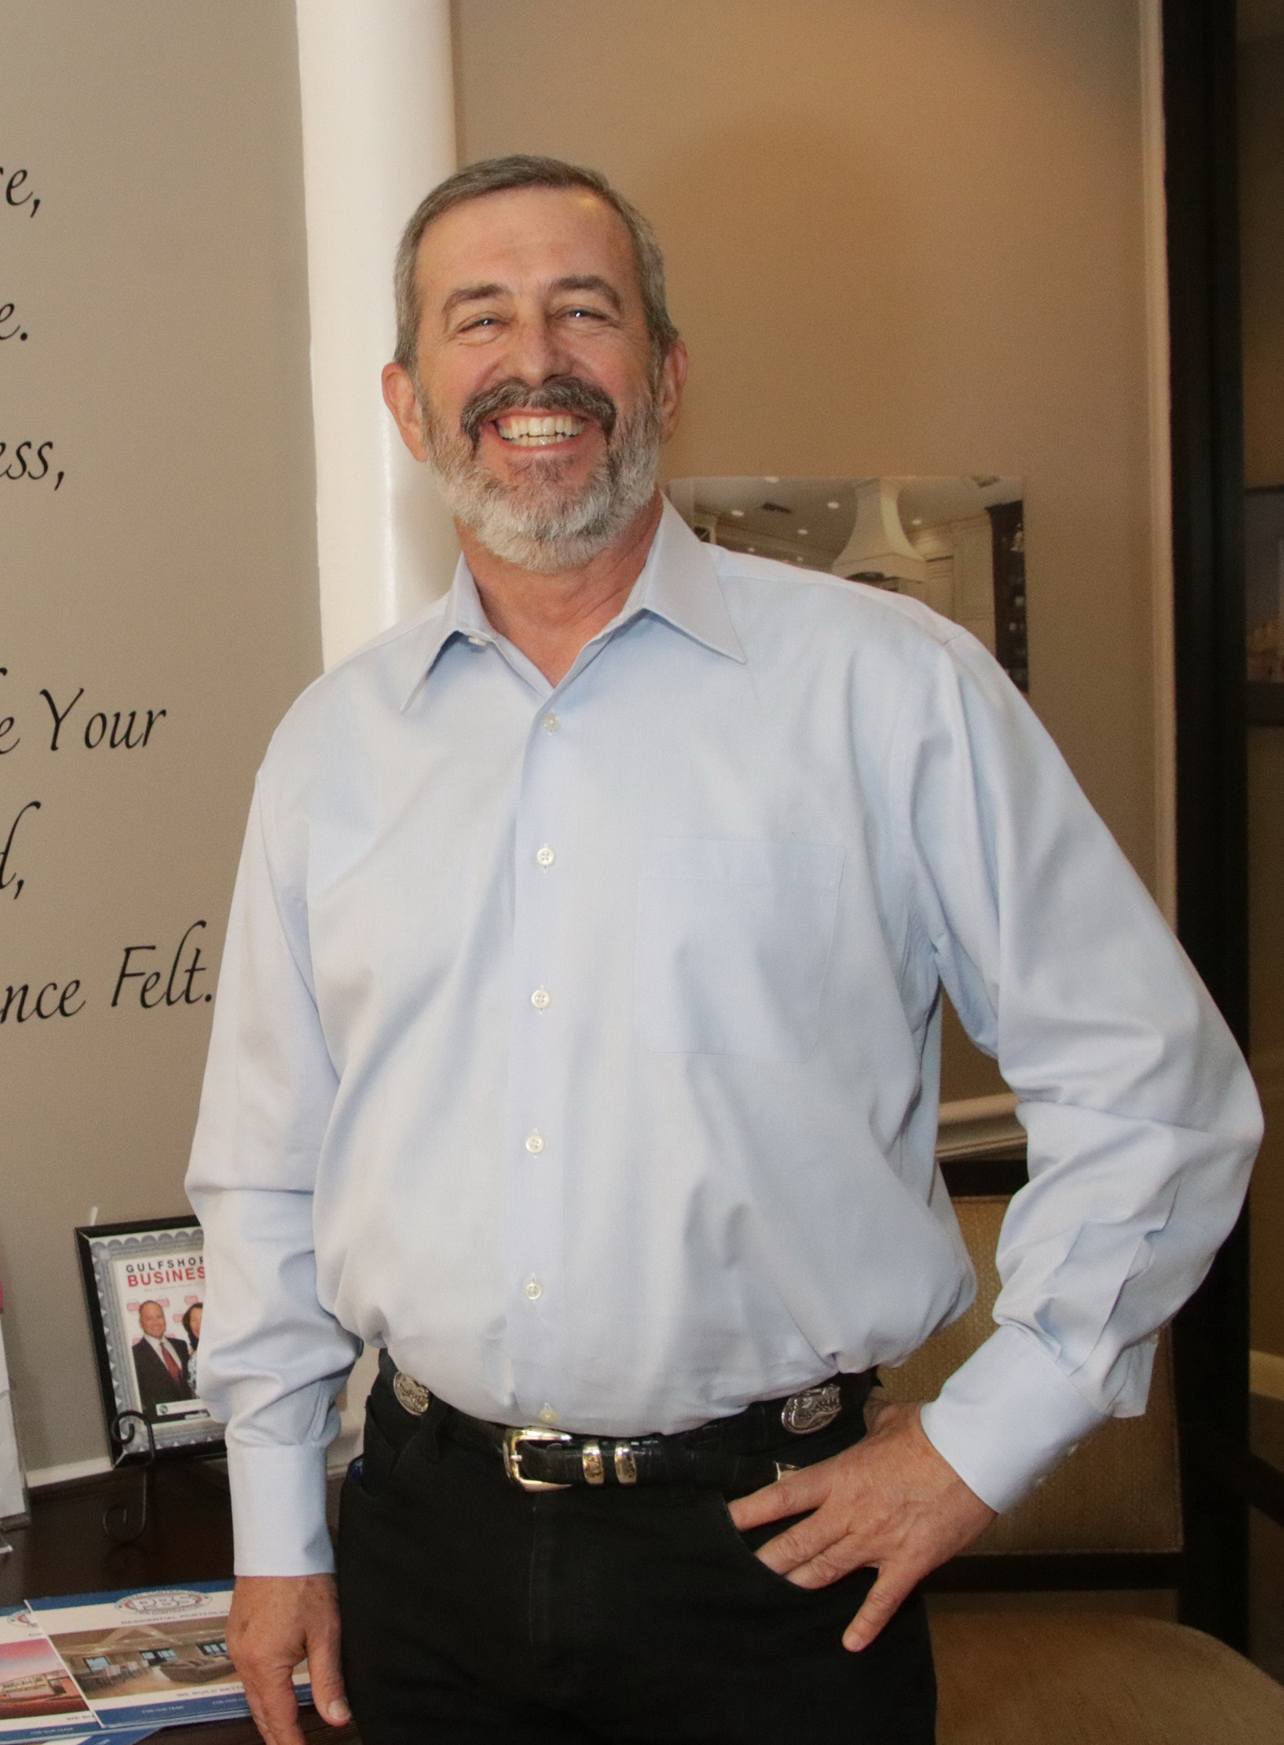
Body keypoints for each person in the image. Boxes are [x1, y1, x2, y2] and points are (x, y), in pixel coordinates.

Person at [185, 154, 1261, 1745]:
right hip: (422, 1550)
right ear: (411, 406)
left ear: (665, 376)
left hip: (771, 1561)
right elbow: (270, 1169)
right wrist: (277, 1532)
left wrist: (980, 1446)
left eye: (584, 311)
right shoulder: (331, 750)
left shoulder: (892, 693)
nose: (533, 362)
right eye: (479, 322)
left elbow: (1156, 1094)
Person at [130, 1299, 196, 1413]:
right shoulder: (135, 1354)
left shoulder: (181, 1345)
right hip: (160, 1422)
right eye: (149, 1319)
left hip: (192, 1415)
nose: (156, 1322)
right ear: (141, 1323)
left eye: (159, 1317)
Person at [181, 1303, 205, 1394]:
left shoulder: (222, 1350)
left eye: (202, 1319)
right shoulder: (193, 1353)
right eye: (194, 1320)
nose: (198, 1325)